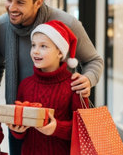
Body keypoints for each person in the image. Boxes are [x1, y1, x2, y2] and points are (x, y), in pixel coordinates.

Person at [0, 0, 103, 154]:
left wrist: (88, 79)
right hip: (22, 125)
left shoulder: (67, 23)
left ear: (38, 2)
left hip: (60, 126)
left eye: (20, 2)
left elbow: (94, 60)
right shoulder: (0, 28)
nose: (11, 7)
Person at [7, 20, 89, 155]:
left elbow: (83, 130)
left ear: (60, 53)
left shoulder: (75, 85)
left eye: (43, 46)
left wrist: (56, 128)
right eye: (33, 45)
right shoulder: (25, 85)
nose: (36, 51)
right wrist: (17, 129)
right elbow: (20, 133)